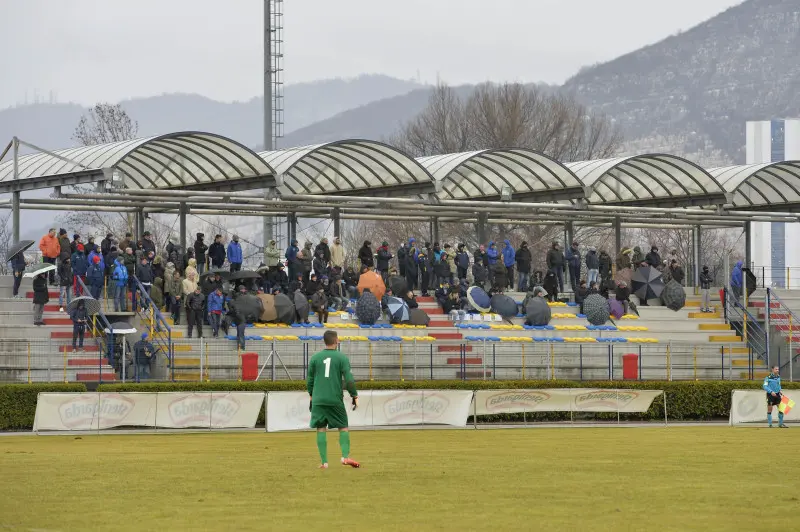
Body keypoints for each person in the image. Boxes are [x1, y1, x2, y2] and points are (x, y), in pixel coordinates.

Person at [307, 330, 360, 469]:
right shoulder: (341, 358)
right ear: (336, 340)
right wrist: (354, 395)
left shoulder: (315, 358)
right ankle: (345, 457)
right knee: (343, 426)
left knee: (320, 428)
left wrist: (311, 396)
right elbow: (348, 380)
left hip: (318, 399)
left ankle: (324, 463)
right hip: (334, 399)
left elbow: (310, 380)